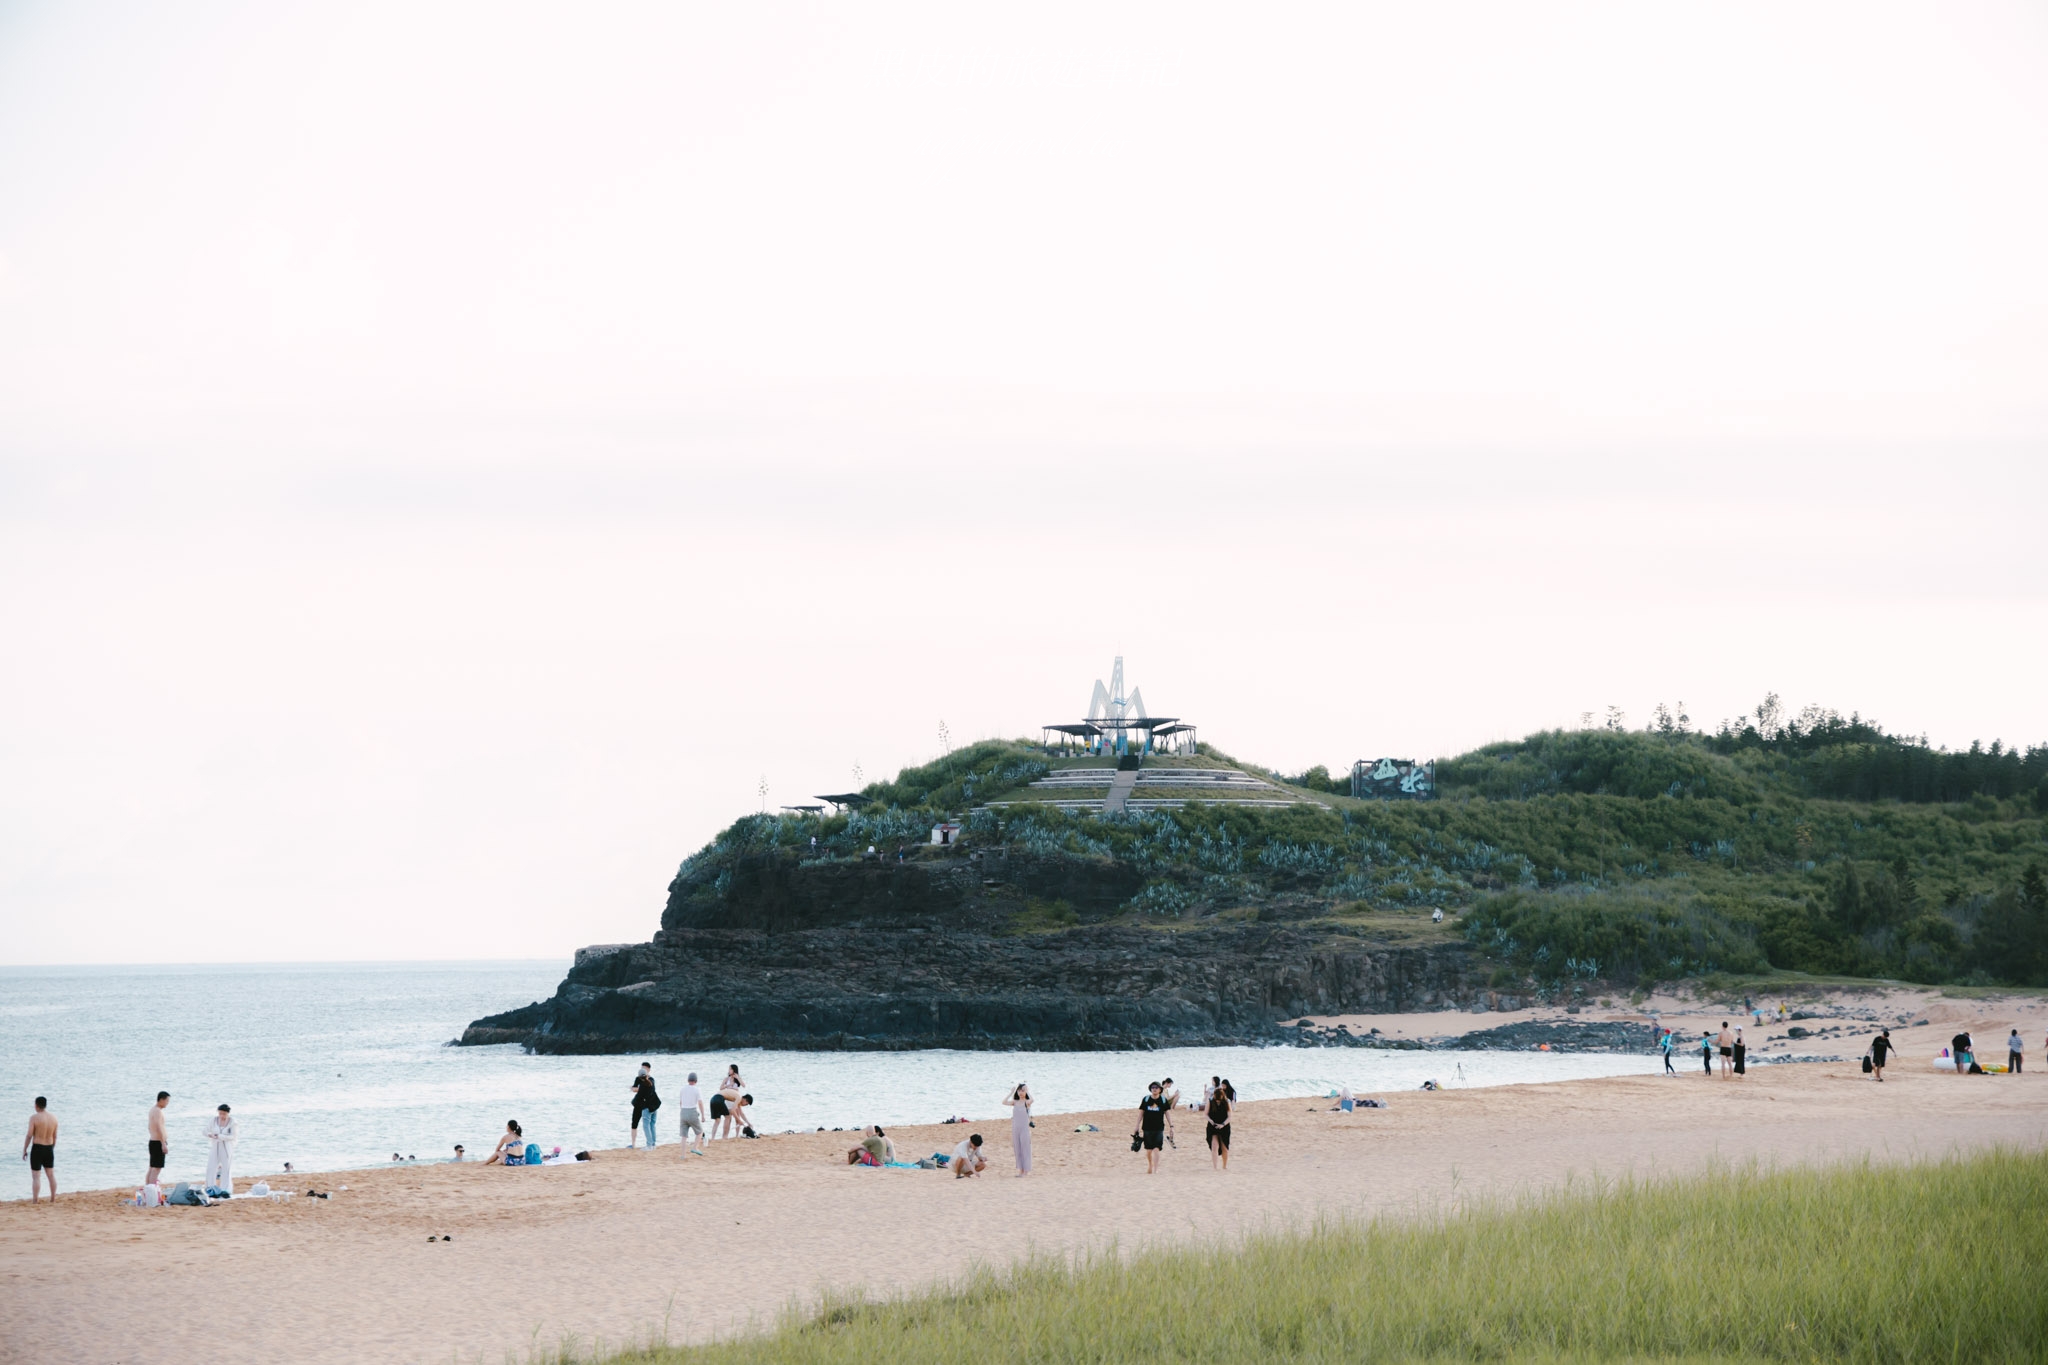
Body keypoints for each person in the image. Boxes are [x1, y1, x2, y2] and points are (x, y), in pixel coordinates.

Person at [23, 1096, 57, 1202]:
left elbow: (29, 1135)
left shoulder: (34, 1118)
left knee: (36, 1176)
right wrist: (52, 1148)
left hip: (37, 1148)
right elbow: (55, 1136)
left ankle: (35, 1200)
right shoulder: (54, 1118)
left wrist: (25, 1149)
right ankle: (52, 1198)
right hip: (49, 1148)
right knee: (51, 1175)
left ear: (36, 1105)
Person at [202, 1104, 237, 1194]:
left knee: (226, 1169)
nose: (222, 1116)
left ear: (228, 1113)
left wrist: (220, 1136)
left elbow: (233, 1136)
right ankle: (210, 1187)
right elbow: (205, 1131)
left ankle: (225, 1189)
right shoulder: (213, 1120)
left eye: (224, 1114)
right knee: (211, 1167)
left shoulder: (233, 1122)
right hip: (215, 1146)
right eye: (220, 1113)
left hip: (226, 1147)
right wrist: (210, 1135)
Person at [1135, 1081, 1168, 1174]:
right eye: (1152, 1087)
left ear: (1160, 1089)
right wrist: (1137, 1125)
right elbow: (1141, 1113)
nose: (1154, 1089)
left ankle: (1156, 1169)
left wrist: (1171, 1126)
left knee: (1157, 1148)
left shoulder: (1163, 1100)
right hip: (1147, 1128)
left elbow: (1167, 1113)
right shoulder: (1146, 1099)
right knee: (1149, 1150)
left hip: (1159, 1128)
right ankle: (1150, 1164)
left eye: (1156, 1087)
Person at [676, 1072, 706, 1156]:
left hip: (683, 1112)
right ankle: (695, 1147)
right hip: (692, 1111)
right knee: (699, 1131)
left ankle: (682, 1155)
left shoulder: (682, 1089)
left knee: (684, 1136)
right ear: (696, 1081)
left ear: (688, 1080)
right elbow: (700, 1103)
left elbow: (681, 1102)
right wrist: (703, 1115)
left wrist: (682, 1111)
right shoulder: (697, 1090)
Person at [1007, 1083, 1033, 1176]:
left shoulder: (1027, 1102)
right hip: (1015, 1128)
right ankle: (1021, 1170)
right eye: (1019, 1090)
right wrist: (1011, 1092)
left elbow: (1032, 1100)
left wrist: (1027, 1091)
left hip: (1024, 1129)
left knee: (1025, 1149)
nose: (1021, 1092)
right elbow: (1004, 1102)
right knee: (1017, 1149)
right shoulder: (1015, 1102)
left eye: (1023, 1090)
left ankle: (1026, 1170)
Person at [1206, 1081, 1232, 1171]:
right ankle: (1215, 1167)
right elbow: (1206, 1114)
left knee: (1225, 1147)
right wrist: (1211, 1121)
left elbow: (1230, 1117)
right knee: (1214, 1146)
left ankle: (1224, 1166)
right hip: (1212, 1126)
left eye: (1219, 1100)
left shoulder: (1227, 1101)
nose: (1217, 1101)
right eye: (1216, 1100)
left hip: (1224, 1126)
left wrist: (1223, 1124)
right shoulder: (1210, 1101)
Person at [630, 1062, 658, 1148]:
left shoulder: (651, 1080)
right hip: (639, 1104)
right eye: (641, 1068)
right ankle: (634, 1144)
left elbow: (640, 1090)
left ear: (649, 1070)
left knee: (649, 1125)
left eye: (644, 1069)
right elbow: (634, 1088)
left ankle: (650, 1144)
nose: (643, 1070)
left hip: (647, 1105)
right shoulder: (638, 1079)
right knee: (634, 1123)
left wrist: (638, 1089)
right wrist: (637, 1089)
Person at [146, 1091, 171, 1187]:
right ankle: (151, 1189)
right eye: (167, 1101)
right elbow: (159, 1127)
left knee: (152, 1168)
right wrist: (163, 1144)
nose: (167, 1104)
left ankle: (148, 1189)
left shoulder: (152, 1110)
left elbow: (150, 1127)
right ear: (161, 1100)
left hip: (153, 1141)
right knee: (156, 1168)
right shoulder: (158, 1111)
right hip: (157, 1142)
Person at [713, 1065, 744, 1139]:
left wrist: (738, 1078)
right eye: (729, 1069)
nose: (729, 1070)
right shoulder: (726, 1079)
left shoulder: (737, 1079)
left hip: (736, 1099)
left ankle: (737, 1135)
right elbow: (720, 1088)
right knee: (728, 1118)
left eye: (730, 1069)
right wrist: (728, 1085)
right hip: (728, 1099)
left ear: (734, 1070)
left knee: (737, 1117)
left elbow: (743, 1085)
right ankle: (725, 1135)